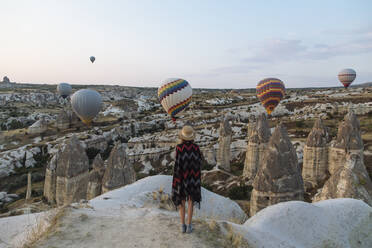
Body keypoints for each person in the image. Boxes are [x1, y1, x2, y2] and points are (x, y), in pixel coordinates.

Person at [171, 125, 202, 234]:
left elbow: (176, 162)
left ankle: (182, 226)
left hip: (181, 178)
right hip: (193, 179)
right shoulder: (196, 148)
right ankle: (189, 226)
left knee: (182, 202)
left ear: (182, 137)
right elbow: (199, 162)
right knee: (191, 202)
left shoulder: (179, 148)